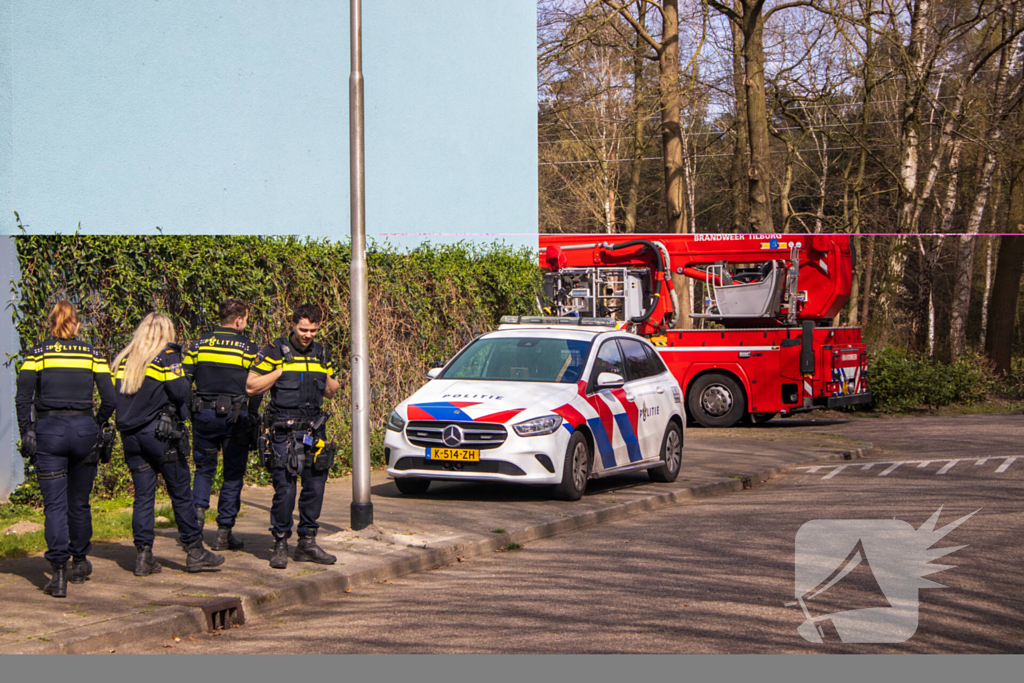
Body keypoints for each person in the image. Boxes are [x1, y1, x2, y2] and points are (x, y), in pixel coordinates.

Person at [15, 301, 116, 598]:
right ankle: (81, 562)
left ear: (51, 323)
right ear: (76, 323)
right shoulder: (93, 354)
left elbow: (23, 398)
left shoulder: (37, 354)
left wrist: (27, 431)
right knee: (79, 501)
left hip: (50, 432)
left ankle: (58, 573)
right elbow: (110, 399)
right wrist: (96, 424)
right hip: (84, 430)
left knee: (55, 505)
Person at [112, 312, 224, 575]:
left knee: (143, 497)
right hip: (160, 436)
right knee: (181, 493)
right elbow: (181, 392)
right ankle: (195, 551)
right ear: (167, 332)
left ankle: (143, 556)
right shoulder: (166, 357)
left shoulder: (125, 358)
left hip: (131, 438)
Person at [247, 303, 339, 569]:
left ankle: (307, 542)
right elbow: (251, 386)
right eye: (303, 329)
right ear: (293, 325)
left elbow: (331, 392)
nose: (307, 335)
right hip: (284, 431)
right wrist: (278, 373)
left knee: (315, 487)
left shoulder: (322, 353)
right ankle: (280, 543)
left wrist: (329, 380)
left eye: (313, 330)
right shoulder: (274, 351)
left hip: (314, 430)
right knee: (285, 489)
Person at [183, 298, 261, 551]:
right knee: (232, 474)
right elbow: (256, 386)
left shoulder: (198, 345)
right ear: (239, 320)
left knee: (203, 469)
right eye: (246, 319)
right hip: (236, 418)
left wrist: (189, 412)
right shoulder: (249, 348)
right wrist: (254, 414)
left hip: (203, 416)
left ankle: (195, 524)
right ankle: (223, 533)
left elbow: (183, 381)